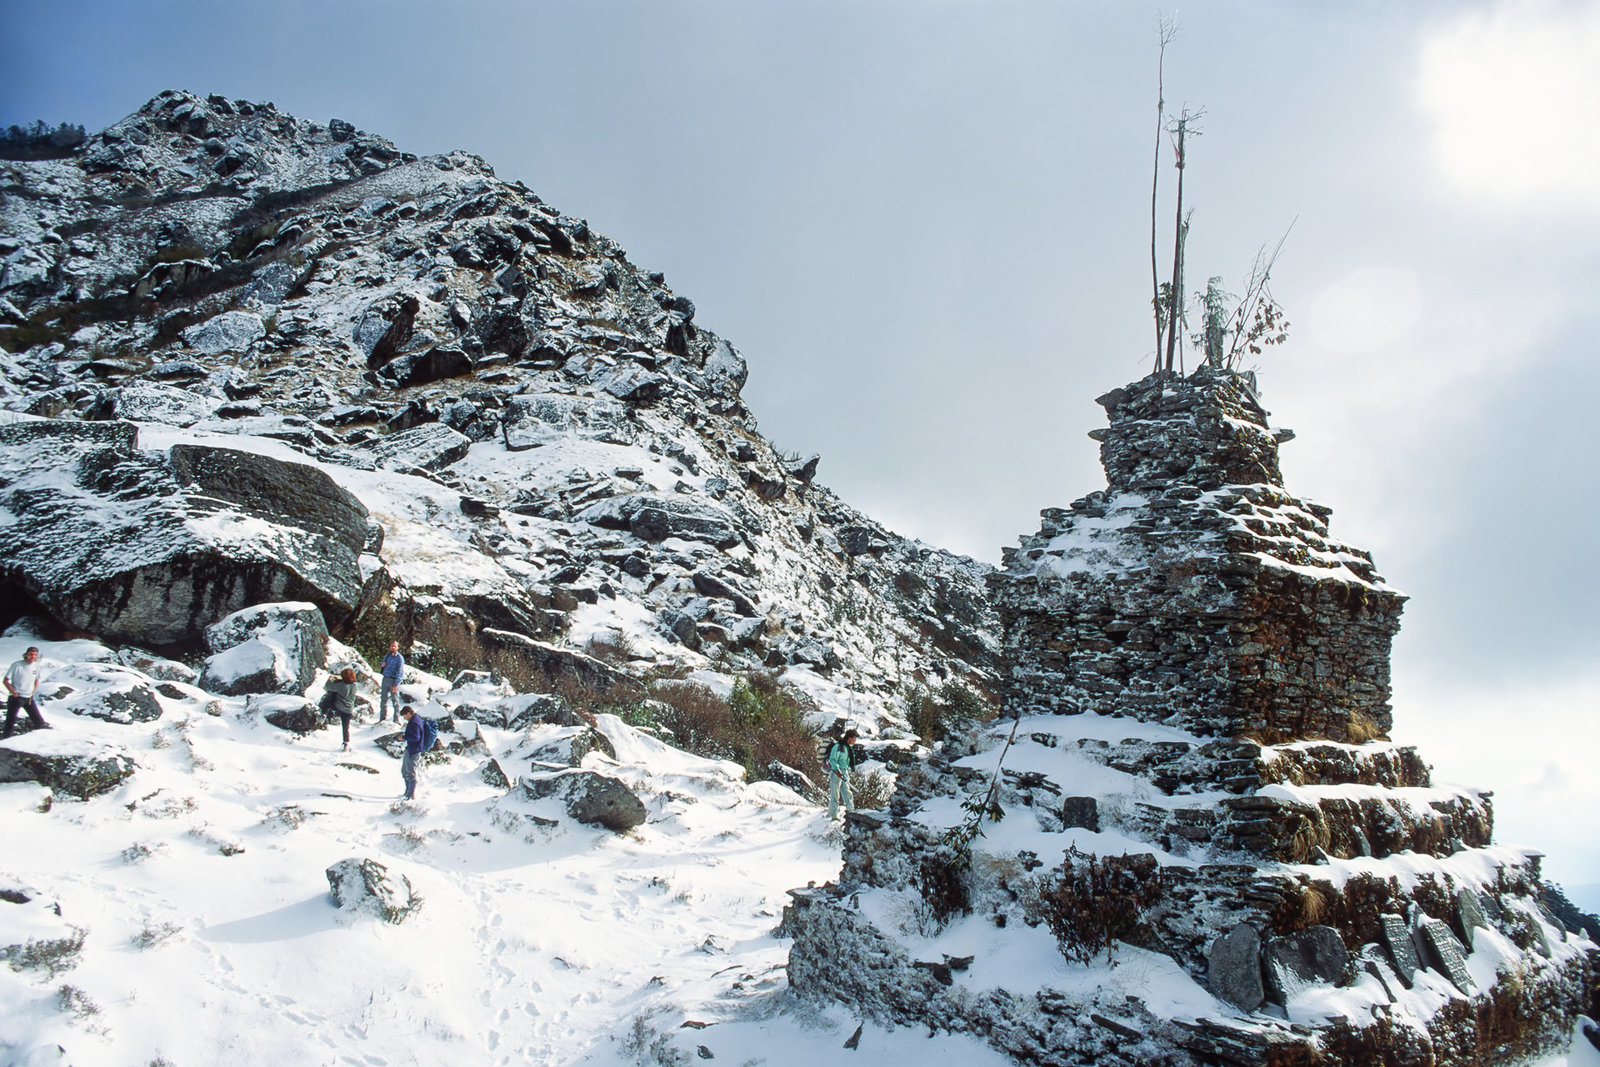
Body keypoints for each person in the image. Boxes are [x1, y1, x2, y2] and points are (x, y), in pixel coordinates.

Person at [3, 646, 50, 740]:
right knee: (10, 722)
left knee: (39, 721)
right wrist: (14, 692)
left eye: (35, 655)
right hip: (16, 698)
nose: (33, 656)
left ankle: (37, 742)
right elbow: (5, 680)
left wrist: (33, 691)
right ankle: (4, 744)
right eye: (31, 654)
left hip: (29, 698)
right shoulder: (17, 665)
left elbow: (36, 680)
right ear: (26, 654)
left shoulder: (36, 666)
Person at [322, 667, 359, 752]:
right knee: (346, 727)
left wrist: (330, 678)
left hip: (339, 707)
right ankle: (346, 744)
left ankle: (323, 714)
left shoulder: (341, 685)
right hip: (349, 710)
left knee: (330, 695)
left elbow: (328, 687)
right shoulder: (354, 687)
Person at [826, 728, 859, 820]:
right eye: (854, 738)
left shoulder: (847, 747)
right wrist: (837, 770)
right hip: (836, 772)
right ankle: (833, 815)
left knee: (847, 793)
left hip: (844, 772)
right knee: (835, 795)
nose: (855, 740)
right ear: (849, 738)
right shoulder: (838, 747)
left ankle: (851, 812)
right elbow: (833, 759)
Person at [398, 705, 423, 801]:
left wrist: (404, 738)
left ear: (408, 713)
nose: (404, 718)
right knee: (404, 771)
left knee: (410, 772)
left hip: (414, 751)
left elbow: (416, 737)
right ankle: (407, 792)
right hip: (410, 749)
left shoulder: (415, 722)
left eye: (404, 716)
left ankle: (409, 795)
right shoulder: (414, 720)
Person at [378, 641, 404, 722]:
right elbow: (382, 663)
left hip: (393, 681)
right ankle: (382, 719)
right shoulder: (387, 656)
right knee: (383, 700)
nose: (393, 647)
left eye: (395, 646)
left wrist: (396, 684)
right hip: (385, 679)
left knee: (395, 701)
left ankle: (396, 720)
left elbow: (400, 672)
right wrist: (383, 664)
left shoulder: (399, 658)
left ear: (397, 648)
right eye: (392, 646)